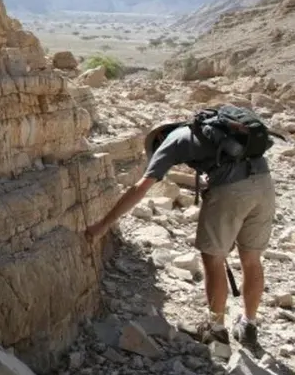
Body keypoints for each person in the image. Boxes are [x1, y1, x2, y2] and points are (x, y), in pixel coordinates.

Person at [84, 118, 276, 346]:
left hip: (231, 190)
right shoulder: (210, 132)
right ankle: (249, 325)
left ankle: (215, 330)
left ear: (159, 138)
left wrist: (104, 224)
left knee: (213, 258)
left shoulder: (171, 141)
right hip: (265, 185)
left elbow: (141, 188)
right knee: (252, 259)